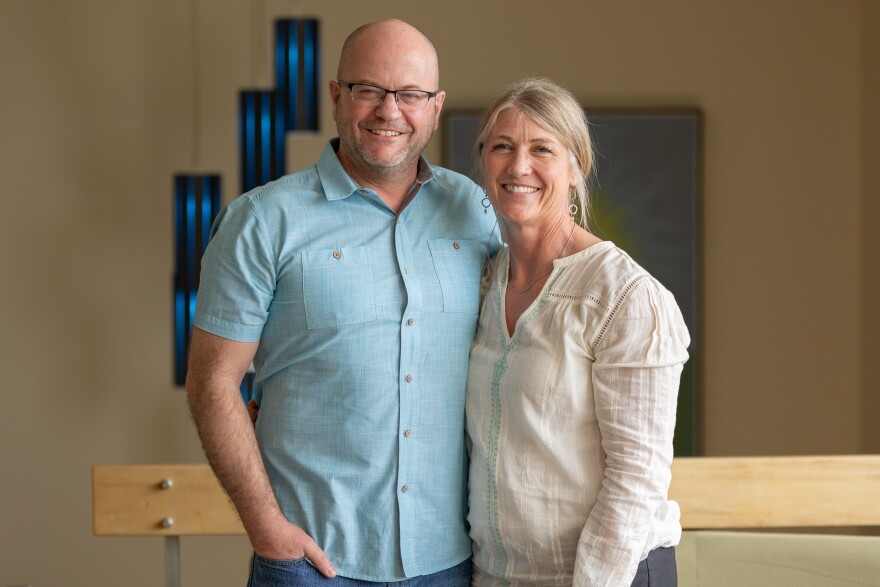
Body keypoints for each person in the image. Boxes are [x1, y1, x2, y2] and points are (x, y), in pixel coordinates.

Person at [186, 19, 498, 586]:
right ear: (336, 95)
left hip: (451, 560)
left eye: (410, 94)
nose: (389, 110)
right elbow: (212, 383)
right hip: (310, 562)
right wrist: (267, 530)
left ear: (435, 107)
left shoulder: (473, 211)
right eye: (368, 89)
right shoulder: (261, 222)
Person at [465, 77, 690, 587]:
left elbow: (636, 478)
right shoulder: (482, 282)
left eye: (541, 149)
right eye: (502, 147)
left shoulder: (625, 296)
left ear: (576, 168)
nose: (518, 166)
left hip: (608, 575)